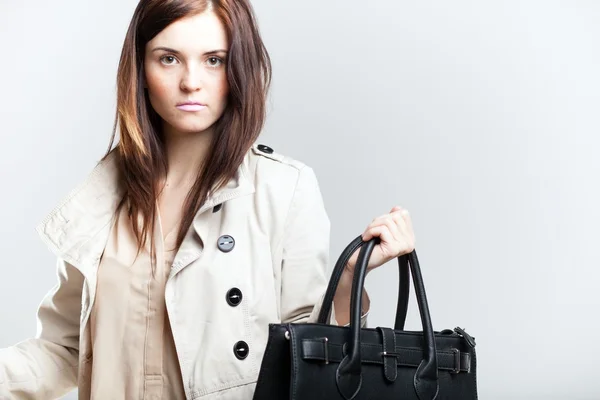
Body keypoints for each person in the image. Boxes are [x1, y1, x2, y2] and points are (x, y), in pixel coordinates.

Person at [0, 0, 415, 399]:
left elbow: (306, 357)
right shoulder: (104, 193)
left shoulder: (283, 188)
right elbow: (64, 348)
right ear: (141, 69)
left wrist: (348, 280)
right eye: (168, 58)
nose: (191, 81)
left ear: (238, 69)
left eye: (213, 59)